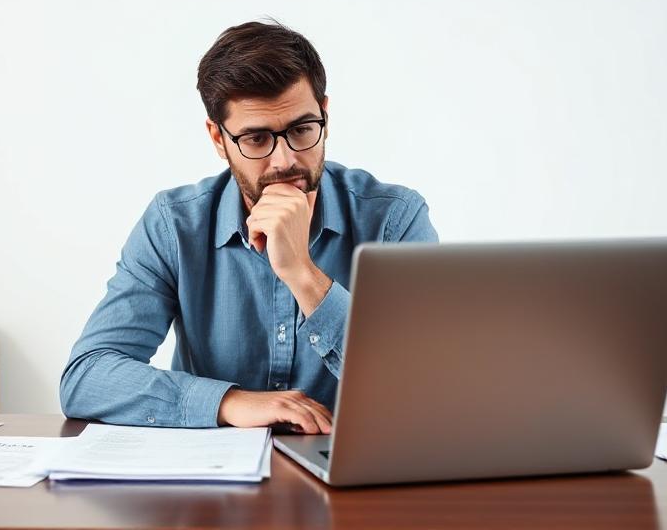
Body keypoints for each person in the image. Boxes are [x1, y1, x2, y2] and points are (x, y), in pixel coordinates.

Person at [60, 21, 438, 434]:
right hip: (214, 483)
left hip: (353, 477)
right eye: (256, 139)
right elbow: (88, 376)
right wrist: (229, 402)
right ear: (218, 139)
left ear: (325, 116)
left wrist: (301, 272)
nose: (284, 160)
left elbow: (422, 387)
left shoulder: (395, 219)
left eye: (301, 129)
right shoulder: (174, 223)